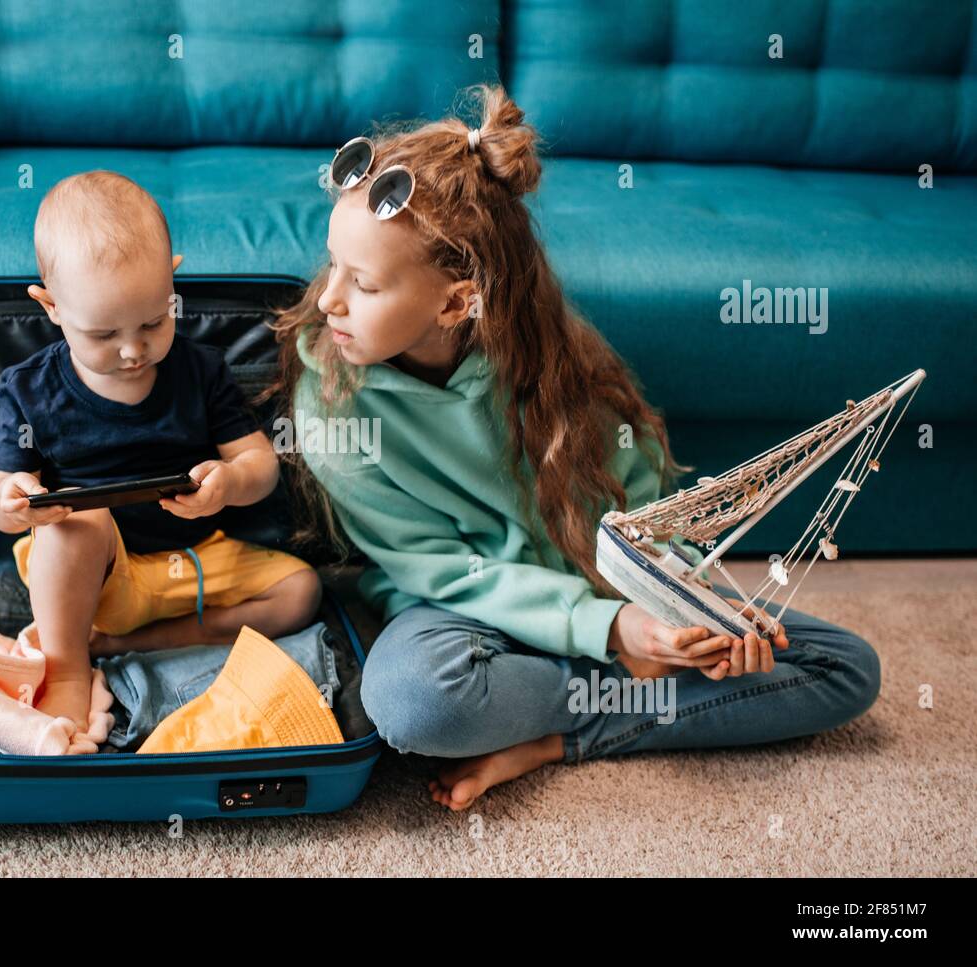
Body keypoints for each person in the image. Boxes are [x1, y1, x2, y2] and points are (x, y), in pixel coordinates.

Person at [265, 86, 880, 810]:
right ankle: (600, 702)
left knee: (841, 667)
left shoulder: (546, 356)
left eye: (361, 282)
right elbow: (438, 571)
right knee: (409, 700)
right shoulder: (331, 398)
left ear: (458, 301)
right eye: (332, 265)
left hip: (597, 585)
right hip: (465, 614)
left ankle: (558, 732)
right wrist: (616, 635)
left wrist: (671, 607)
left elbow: (643, 502)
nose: (329, 299)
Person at [0, 171, 321, 736]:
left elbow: (261, 465)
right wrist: (16, 503)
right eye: (104, 333)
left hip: (196, 563)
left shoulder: (202, 370)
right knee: (77, 522)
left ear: (172, 280)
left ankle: (127, 645)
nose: (134, 349)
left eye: (154, 321)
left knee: (301, 592)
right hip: (98, 577)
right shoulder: (29, 388)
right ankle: (68, 669)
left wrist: (230, 483)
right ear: (52, 308)